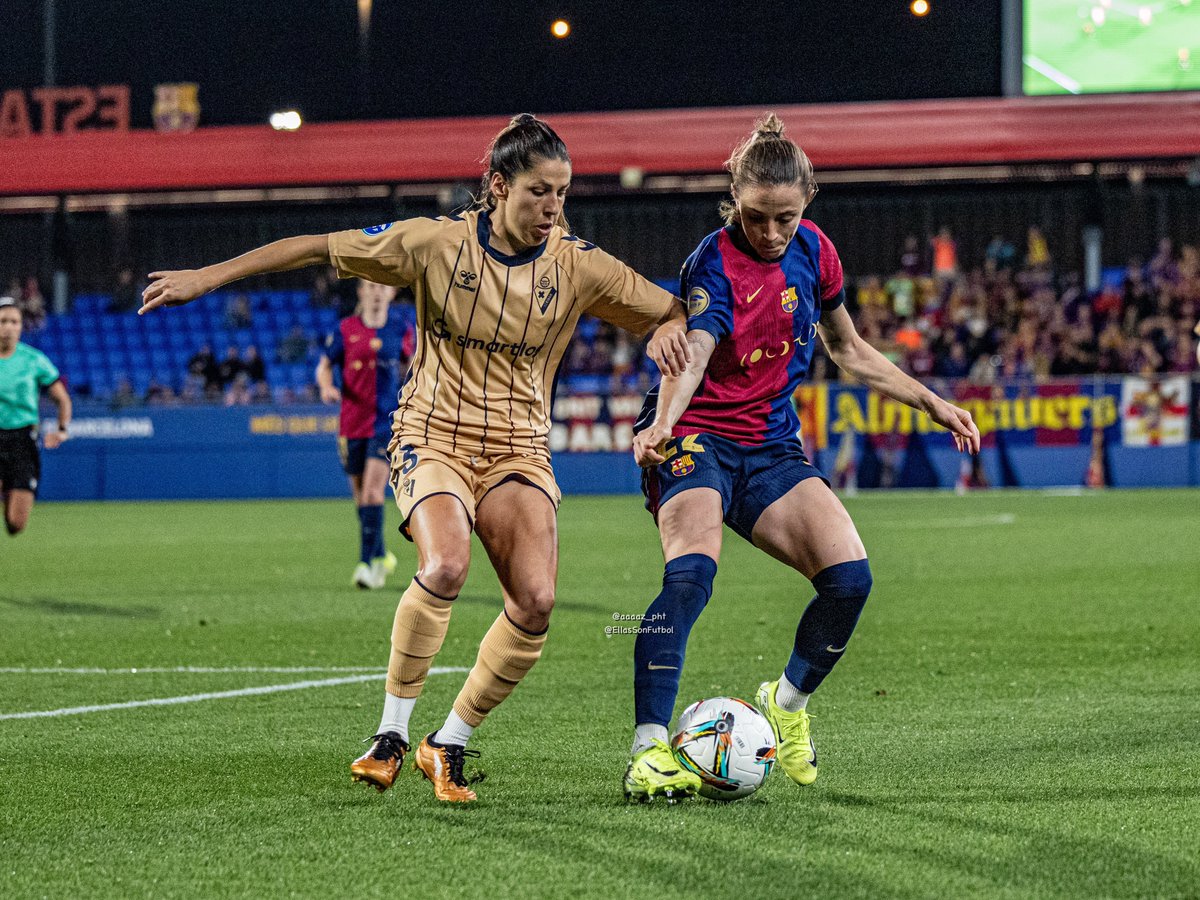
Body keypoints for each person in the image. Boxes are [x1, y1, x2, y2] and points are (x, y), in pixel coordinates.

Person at [139, 113, 690, 804]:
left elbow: (673, 311)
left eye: (562, 192)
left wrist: (667, 335)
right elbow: (315, 246)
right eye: (539, 191)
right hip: (432, 435)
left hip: (518, 446)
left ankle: (446, 744)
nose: (553, 206)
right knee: (446, 563)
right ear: (497, 186)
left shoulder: (579, 266)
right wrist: (208, 276)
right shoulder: (433, 244)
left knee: (538, 602)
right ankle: (391, 734)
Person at [622, 115, 980, 802]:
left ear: (807, 199)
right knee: (691, 576)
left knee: (850, 580)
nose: (771, 233)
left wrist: (930, 401)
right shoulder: (713, 262)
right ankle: (647, 749)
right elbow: (693, 354)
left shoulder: (815, 250)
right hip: (694, 435)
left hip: (771, 443)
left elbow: (848, 350)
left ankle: (785, 704)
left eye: (784, 217)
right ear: (734, 197)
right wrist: (661, 424)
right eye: (757, 218)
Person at [316, 279, 410, 590]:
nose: (376, 291)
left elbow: (417, 366)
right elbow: (324, 366)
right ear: (361, 292)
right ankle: (382, 554)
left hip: (386, 424)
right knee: (360, 499)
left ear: (391, 292)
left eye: (383, 287)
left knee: (372, 493)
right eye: (370, 286)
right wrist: (327, 386)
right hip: (351, 423)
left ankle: (365, 565)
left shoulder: (401, 329)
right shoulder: (346, 329)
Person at [0, 297, 72, 536]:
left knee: (15, 524)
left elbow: (62, 399)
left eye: (14, 321)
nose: (8, 327)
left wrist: (62, 429)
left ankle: (9, 490)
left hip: (22, 440)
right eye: (3, 321)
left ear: (21, 326)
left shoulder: (33, 360)